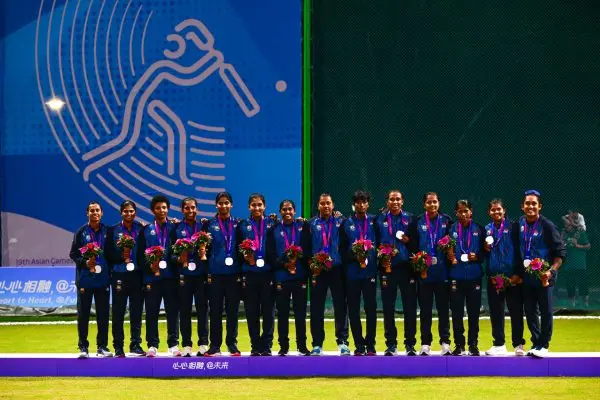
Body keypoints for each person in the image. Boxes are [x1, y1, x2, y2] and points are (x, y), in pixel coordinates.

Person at [515, 189, 566, 358]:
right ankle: (536, 342)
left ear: (540, 206)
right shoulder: (520, 223)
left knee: (546, 311)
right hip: (527, 277)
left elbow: (560, 254)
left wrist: (551, 271)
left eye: (533, 204)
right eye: (527, 203)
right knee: (530, 312)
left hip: (544, 277)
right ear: (522, 206)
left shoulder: (547, 225)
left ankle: (544, 345)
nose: (530, 206)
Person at [407, 192, 452, 356]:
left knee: (443, 309)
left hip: (442, 272)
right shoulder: (417, 222)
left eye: (435, 202)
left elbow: (452, 244)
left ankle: (445, 342)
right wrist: (419, 265)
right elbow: (413, 246)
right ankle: (425, 343)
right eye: (429, 202)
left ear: (439, 203)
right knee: (425, 310)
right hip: (424, 273)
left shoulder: (447, 221)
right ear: (424, 204)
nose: (432, 205)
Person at [137, 195, 180, 357]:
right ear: (153, 210)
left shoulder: (175, 228)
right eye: (158, 208)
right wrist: (149, 266)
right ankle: (152, 345)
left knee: (172, 312)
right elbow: (140, 255)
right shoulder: (146, 230)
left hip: (170, 277)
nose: (161, 210)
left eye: (164, 207)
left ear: (168, 209)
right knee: (151, 312)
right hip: (152, 278)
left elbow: (179, 250)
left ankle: (173, 344)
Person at [266, 199, 310, 356]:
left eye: (290, 209)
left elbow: (307, 249)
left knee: (300, 313)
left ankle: (302, 346)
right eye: (284, 209)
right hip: (281, 277)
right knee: (282, 313)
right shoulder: (273, 230)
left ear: (295, 211)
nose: (287, 212)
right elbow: (271, 255)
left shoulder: (303, 228)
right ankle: (283, 346)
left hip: (300, 276)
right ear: (280, 212)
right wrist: (285, 264)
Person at [69, 201, 112, 358]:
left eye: (97, 210)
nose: (95, 213)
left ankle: (102, 347)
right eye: (92, 211)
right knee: (83, 315)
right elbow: (73, 254)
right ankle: (83, 347)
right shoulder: (81, 232)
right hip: (85, 280)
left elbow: (112, 253)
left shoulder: (108, 231)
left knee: (103, 315)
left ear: (102, 213)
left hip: (103, 279)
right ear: (87, 213)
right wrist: (85, 262)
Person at [376, 190, 417, 356]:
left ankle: (410, 344)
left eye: (398, 199)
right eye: (392, 199)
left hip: (407, 268)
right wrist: (381, 258)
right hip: (387, 268)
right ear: (387, 201)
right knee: (388, 308)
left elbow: (417, 242)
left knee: (410, 307)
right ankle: (391, 344)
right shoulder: (379, 220)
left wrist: (409, 241)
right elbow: (375, 242)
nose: (395, 202)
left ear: (402, 201)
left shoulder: (411, 219)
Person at [308, 193, 349, 355]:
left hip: (337, 269)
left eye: (328, 203)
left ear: (333, 205)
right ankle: (317, 344)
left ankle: (343, 342)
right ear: (318, 205)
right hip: (318, 270)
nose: (326, 206)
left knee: (340, 306)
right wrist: (312, 266)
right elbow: (306, 246)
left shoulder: (341, 222)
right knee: (316, 308)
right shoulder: (311, 224)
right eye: (322, 203)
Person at [483, 199, 526, 356]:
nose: (496, 212)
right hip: (494, 277)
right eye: (493, 210)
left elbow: (521, 251)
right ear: (489, 212)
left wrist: (518, 274)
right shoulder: (486, 229)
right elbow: (484, 253)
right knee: (496, 311)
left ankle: (518, 344)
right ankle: (499, 344)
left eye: (499, 209)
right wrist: (485, 248)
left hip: (511, 277)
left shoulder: (514, 227)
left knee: (516, 311)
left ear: (504, 210)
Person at [237, 193, 276, 356]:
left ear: (264, 206)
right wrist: (246, 258)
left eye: (260, 205)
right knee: (251, 311)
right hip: (250, 274)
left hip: (267, 273)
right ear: (249, 207)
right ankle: (255, 345)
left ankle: (266, 345)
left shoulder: (272, 224)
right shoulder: (242, 225)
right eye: (254, 205)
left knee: (268, 311)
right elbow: (237, 248)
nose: (257, 208)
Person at [105, 200, 146, 357]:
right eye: (126, 211)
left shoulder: (141, 229)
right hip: (119, 275)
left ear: (135, 212)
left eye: (131, 211)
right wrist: (121, 257)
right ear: (121, 212)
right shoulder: (113, 230)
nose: (129, 214)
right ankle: (118, 346)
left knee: (136, 312)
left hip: (137, 275)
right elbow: (108, 253)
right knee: (118, 312)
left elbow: (145, 251)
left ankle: (135, 344)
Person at [340, 190, 378, 356]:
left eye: (364, 202)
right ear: (354, 204)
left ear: (368, 204)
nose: (361, 205)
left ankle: (371, 345)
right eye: (358, 202)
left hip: (369, 272)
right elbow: (342, 249)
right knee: (354, 310)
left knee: (371, 309)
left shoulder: (375, 221)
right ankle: (359, 345)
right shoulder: (346, 223)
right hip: (352, 273)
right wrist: (355, 256)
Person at [205, 192, 242, 357]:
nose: (224, 206)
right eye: (220, 203)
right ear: (216, 205)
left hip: (233, 274)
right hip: (215, 274)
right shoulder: (208, 225)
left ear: (231, 205)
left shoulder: (238, 224)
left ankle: (232, 344)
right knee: (215, 311)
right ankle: (214, 345)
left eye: (226, 203)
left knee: (232, 311)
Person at [171, 197, 209, 356]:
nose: (190, 210)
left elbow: (212, 251)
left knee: (202, 310)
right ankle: (186, 344)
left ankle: (203, 343)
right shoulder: (176, 228)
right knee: (185, 310)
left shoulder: (204, 227)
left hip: (201, 275)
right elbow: (171, 254)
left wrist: (205, 253)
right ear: (182, 210)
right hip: (184, 276)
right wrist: (179, 259)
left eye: (193, 207)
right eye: (187, 208)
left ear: (197, 209)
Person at [448, 200, 485, 356]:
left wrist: (477, 256)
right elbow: (445, 248)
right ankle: (459, 344)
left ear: (471, 212)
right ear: (456, 213)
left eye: (466, 211)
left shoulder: (479, 229)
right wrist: (449, 256)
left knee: (473, 313)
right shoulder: (450, 229)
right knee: (456, 313)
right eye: (460, 211)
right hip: (455, 276)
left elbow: (485, 253)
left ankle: (473, 344)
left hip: (474, 276)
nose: (463, 214)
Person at [561, 217, 591, 308]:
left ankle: (585, 304)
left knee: (583, 284)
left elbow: (588, 246)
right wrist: (564, 244)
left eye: (568, 224)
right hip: (569, 264)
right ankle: (572, 305)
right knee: (570, 284)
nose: (567, 226)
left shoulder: (580, 232)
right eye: (565, 224)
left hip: (580, 264)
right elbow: (560, 245)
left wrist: (577, 245)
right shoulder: (563, 234)